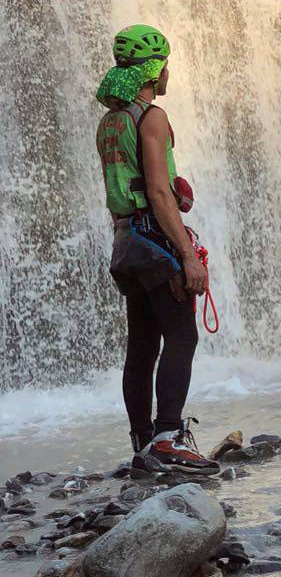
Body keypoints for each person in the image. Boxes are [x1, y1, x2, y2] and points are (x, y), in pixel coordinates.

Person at [95, 24, 209, 467]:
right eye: (166, 66)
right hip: (155, 240)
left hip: (126, 241)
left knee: (142, 343)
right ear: (154, 68)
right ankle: (168, 438)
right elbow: (159, 193)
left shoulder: (110, 122)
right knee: (182, 335)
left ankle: (142, 443)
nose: (168, 75)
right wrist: (185, 253)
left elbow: (122, 190)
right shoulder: (152, 117)